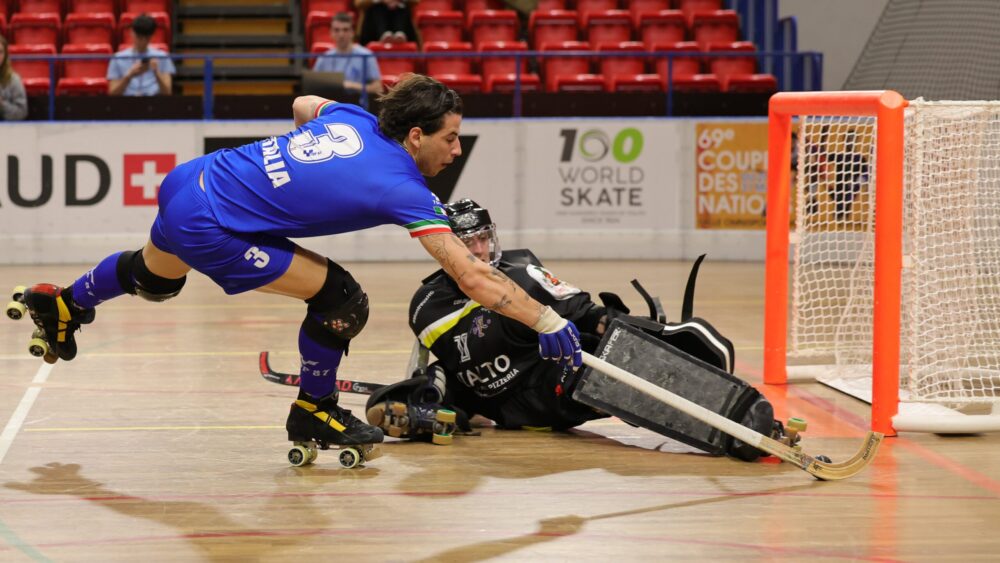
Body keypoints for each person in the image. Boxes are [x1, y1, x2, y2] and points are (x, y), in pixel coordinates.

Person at [12, 74, 582, 460]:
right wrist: (548, 321)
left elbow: (303, 106)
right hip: (214, 222)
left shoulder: (353, 118)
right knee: (342, 299)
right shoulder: (404, 189)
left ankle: (63, 303)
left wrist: (300, 162)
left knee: (157, 279)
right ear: (415, 136)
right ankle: (316, 410)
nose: (456, 151)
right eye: (451, 139)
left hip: (195, 179)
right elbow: (472, 276)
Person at [366, 199, 785, 462]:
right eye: (467, 242)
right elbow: (436, 350)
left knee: (604, 355)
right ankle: (431, 404)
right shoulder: (426, 304)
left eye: (482, 239)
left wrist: (637, 332)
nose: (478, 250)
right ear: (447, 246)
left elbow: (584, 311)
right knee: (440, 377)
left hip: (552, 385)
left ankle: (726, 416)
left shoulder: (522, 270)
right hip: (499, 403)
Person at [314, 12, 384, 96]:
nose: (341, 34)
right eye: (337, 30)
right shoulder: (323, 58)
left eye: (345, 30)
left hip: (357, 104)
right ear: (331, 33)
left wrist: (352, 85)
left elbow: (378, 88)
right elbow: (314, 88)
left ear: (352, 32)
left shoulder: (366, 55)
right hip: (331, 104)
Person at [107, 13, 176, 96]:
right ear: (132, 33)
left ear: (151, 36)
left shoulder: (163, 57)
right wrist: (129, 76)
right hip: (127, 104)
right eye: (139, 37)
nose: (142, 42)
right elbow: (112, 94)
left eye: (146, 38)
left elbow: (167, 93)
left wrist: (156, 73)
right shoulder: (118, 58)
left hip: (153, 103)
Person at [0, 33, 28, 121]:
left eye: (0, 52)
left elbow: (22, 112)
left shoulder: (13, 80)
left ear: (5, 55)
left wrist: (2, 105)